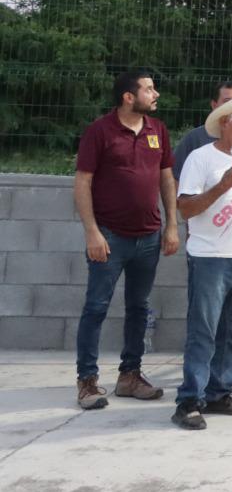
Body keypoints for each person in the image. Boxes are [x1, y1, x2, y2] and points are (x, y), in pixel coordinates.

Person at [72, 69, 179, 410]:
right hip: (110, 238)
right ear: (128, 97)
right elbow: (83, 182)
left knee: (139, 308)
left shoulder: (157, 130)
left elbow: (166, 180)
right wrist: (92, 232)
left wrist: (172, 225)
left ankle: (129, 376)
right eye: (149, 89)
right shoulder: (99, 131)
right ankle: (87, 381)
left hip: (149, 237)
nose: (156, 94)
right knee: (96, 307)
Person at [170, 93, 232, 429]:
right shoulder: (200, 159)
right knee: (203, 331)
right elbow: (185, 207)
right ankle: (189, 401)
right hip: (210, 259)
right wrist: (222, 185)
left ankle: (220, 393)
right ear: (225, 122)